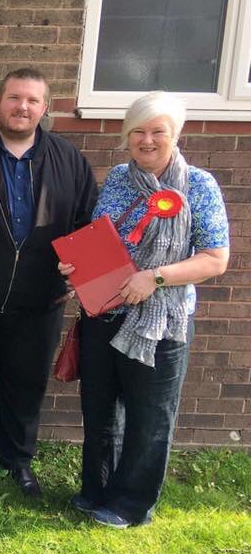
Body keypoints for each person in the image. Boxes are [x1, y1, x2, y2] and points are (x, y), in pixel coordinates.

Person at [59, 91, 229, 528]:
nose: (147, 140)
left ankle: (130, 504)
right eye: (138, 131)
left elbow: (214, 258)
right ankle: (95, 490)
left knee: (150, 416)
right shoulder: (118, 178)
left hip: (161, 321)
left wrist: (154, 277)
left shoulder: (199, 186)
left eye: (158, 132)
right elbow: (103, 238)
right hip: (105, 313)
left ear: (175, 135)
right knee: (99, 409)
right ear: (126, 136)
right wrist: (77, 265)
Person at [0, 68, 98, 496]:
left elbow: (88, 223)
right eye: (13, 98)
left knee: (25, 386)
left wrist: (79, 273)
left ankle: (17, 461)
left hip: (39, 298)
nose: (21, 107)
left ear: (45, 107)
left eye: (31, 100)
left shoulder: (69, 160)